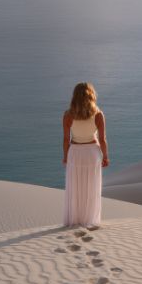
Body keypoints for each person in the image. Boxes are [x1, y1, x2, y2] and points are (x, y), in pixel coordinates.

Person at [62, 82, 109, 228]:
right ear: (91, 95)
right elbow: (102, 139)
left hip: (75, 152)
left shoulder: (68, 115)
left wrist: (65, 156)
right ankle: (90, 220)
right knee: (91, 187)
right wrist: (106, 156)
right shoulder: (98, 115)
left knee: (75, 187)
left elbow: (65, 139)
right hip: (92, 153)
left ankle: (75, 219)